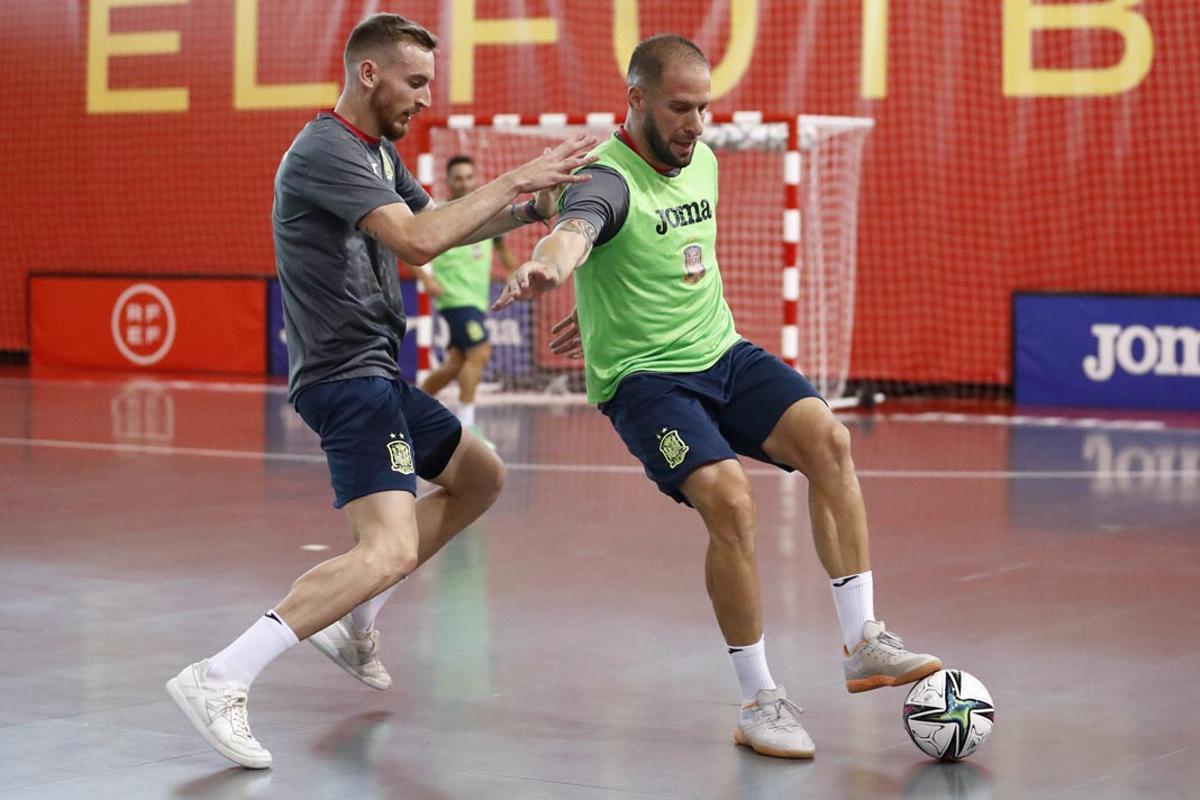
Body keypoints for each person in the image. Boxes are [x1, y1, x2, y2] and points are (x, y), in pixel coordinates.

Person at [165, 13, 596, 769]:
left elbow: (441, 222)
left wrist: (531, 210)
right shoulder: (325, 150)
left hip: (377, 369)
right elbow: (419, 243)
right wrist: (516, 176)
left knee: (481, 475)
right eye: (416, 81)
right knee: (389, 545)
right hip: (343, 377)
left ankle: (353, 620)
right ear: (370, 74)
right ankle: (220, 675)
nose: (426, 98)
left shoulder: (376, 154)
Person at [494, 34, 941, 760]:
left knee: (829, 439)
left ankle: (864, 641)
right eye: (679, 107)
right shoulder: (607, 177)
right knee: (730, 500)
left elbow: (667, 258)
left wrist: (605, 306)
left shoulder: (700, 158)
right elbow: (579, 230)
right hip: (646, 381)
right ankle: (759, 699)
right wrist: (552, 269)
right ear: (635, 99)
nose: (696, 123)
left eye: (704, 107)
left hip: (722, 352)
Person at [418, 155, 519, 437]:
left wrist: (514, 272)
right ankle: (466, 426)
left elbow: (501, 247)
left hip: (475, 298)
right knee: (480, 351)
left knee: (456, 364)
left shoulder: (483, 212)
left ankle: (407, 408)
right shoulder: (439, 214)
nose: (464, 182)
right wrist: (426, 277)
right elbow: (409, 246)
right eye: (458, 177)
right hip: (454, 297)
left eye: (468, 177)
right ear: (448, 181)